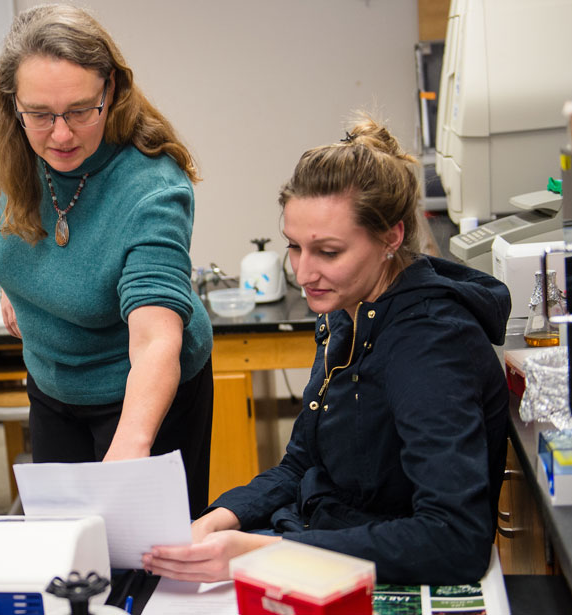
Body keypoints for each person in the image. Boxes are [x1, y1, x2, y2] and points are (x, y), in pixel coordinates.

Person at [143, 118, 511, 585]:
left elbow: (454, 538)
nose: (303, 272)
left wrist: (261, 553)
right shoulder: (348, 310)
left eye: (329, 251)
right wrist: (223, 517)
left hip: (390, 558)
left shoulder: (431, 344)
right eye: (295, 247)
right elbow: (304, 461)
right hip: (326, 525)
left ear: (391, 238)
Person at [0, 4, 214, 517]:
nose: (60, 135)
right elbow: (1, 198)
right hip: (52, 382)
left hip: (140, 389)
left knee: (143, 563)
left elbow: (156, 337)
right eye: (40, 115)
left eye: (81, 110)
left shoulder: (151, 187)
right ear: (13, 107)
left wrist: (131, 450)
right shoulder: (16, 148)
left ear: (110, 90)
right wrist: (8, 285)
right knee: (64, 551)